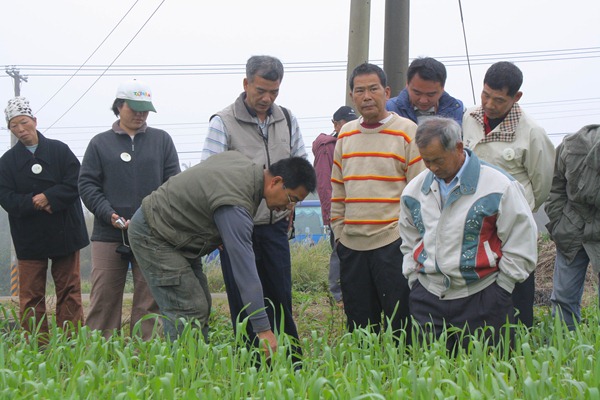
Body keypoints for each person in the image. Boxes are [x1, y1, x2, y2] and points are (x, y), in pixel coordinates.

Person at [128, 152, 316, 356]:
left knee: (201, 304)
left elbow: (207, 189)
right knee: (188, 308)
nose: (289, 207)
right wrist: (263, 330)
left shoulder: (243, 165)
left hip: (179, 233)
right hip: (155, 233)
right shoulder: (235, 203)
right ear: (276, 182)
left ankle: (197, 368)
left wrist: (214, 230)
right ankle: (185, 378)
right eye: (291, 199)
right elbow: (246, 274)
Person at [399, 117, 538, 349]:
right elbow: (409, 239)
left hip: (484, 296)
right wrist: (414, 280)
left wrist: (503, 286)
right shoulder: (414, 191)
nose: (432, 168)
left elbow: (521, 239)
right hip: (428, 298)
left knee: (488, 376)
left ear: (459, 148)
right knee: (432, 376)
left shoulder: (498, 185)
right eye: (426, 161)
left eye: (438, 160)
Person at [201, 56, 307, 355]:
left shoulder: (286, 118)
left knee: (280, 297)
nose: (267, 98)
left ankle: (291, 363)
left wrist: (291, 205)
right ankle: (253, 367)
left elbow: (300, 165)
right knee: (244, 301)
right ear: (246, 83)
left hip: (274, 226)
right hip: (236, 229)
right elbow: (209, 176)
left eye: (274, 91)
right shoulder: (223, 122)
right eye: (260, 90)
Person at [79, 79, 180, 340]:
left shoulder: (162, 140)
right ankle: (98, 355)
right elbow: (87, 184)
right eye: (133, 108)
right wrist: (107, 213)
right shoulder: (100, 143)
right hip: (108, 233)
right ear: (118, 106)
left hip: (152, 233)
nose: (140, 114)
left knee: (150, 298)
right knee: (103, 297)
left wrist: (153, 216)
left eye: (144, 109)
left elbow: (173, 184)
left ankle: (145, 355)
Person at [330, 63, 425, 335]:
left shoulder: (407, 131)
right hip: (352, 244)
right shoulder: (345, 134)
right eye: (359, 91)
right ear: (352, 96)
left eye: (373, 89)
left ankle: (403, 375)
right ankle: (362, 376)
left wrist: (411, 238)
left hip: (393, 242)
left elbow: (419, 191)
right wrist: (339, 231)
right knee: (360, 327)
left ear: (386, 91)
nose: (366, 96)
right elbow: (338, 190)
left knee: (401, 324)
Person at [462, 61, 555, 328]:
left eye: (499, 100)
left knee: (517, 281)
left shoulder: (532, 133)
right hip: (475, 220)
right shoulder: (469, 118)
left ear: (516, 97)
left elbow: (542, 184)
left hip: (513, 223)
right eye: (485, 95)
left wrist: (520, 208)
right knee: (479, 281)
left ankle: (519, 340)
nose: (489, 104)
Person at [0, 96, 88, 339]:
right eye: (14, 125)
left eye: (24, 122)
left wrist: (49, 197)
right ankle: (37, 347)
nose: (20, 129)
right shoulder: (7, 162)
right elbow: (6, 197)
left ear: (35, 121)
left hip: (65, 232)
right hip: (29, 237)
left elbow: (76, 182)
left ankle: (72, 344)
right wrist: (33, 202)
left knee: (69, 289)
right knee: (30, 295)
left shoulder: (59, 150)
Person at [546, 124, 600, 330]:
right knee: (563, 297)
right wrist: (558, 222)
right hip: (572, 227)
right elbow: (554, 185)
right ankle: (564, 348)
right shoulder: (572, 147)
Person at [312, 105, 358, 305]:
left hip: (357, 207)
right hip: (338, 209)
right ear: (335, 124)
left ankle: (350, 292)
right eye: (344, 123)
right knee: (340, 250)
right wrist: (331, 214)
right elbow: (324, 183)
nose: (349, 126)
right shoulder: (327, 147)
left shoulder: (355, 142)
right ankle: (336, 294)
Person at [386, 57, 464, 126]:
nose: (423, 100)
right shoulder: (388, 109)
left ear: (442, 88)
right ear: (407, 84)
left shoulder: (457, 109)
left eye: (431, 94)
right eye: (417, 93)